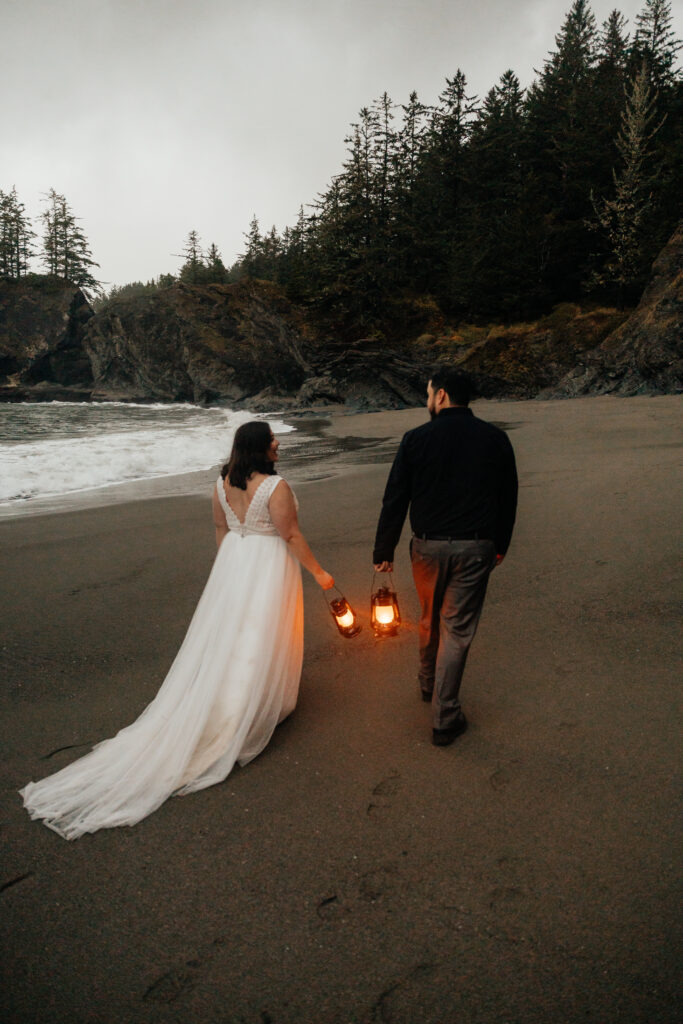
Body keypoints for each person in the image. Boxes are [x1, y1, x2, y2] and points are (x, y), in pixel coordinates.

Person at [21, 421, 334, 839]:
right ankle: (247, 709)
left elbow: (221, 529)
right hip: (266, 564)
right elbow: (290, 533)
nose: (278, 443)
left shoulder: (223, 482)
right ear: (259, 447)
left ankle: (240, 698)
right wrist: (319, 572)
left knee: (230, 638)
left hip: (235, 562)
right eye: (272, 439)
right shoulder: (275, 488)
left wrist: (230, 571)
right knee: (258, 636)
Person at [373, 366, 517, 746]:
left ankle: (427, 683)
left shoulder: (415, 439)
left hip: (427, 547)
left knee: (428, 618)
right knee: (456, 629)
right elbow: (508, 496)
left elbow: (395, 496)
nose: (427, 400)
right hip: (475, 547)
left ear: (440, 396)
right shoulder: (495, 438)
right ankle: (445, 715)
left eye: (428, 393)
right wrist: (500, 542)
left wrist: (383, 549)